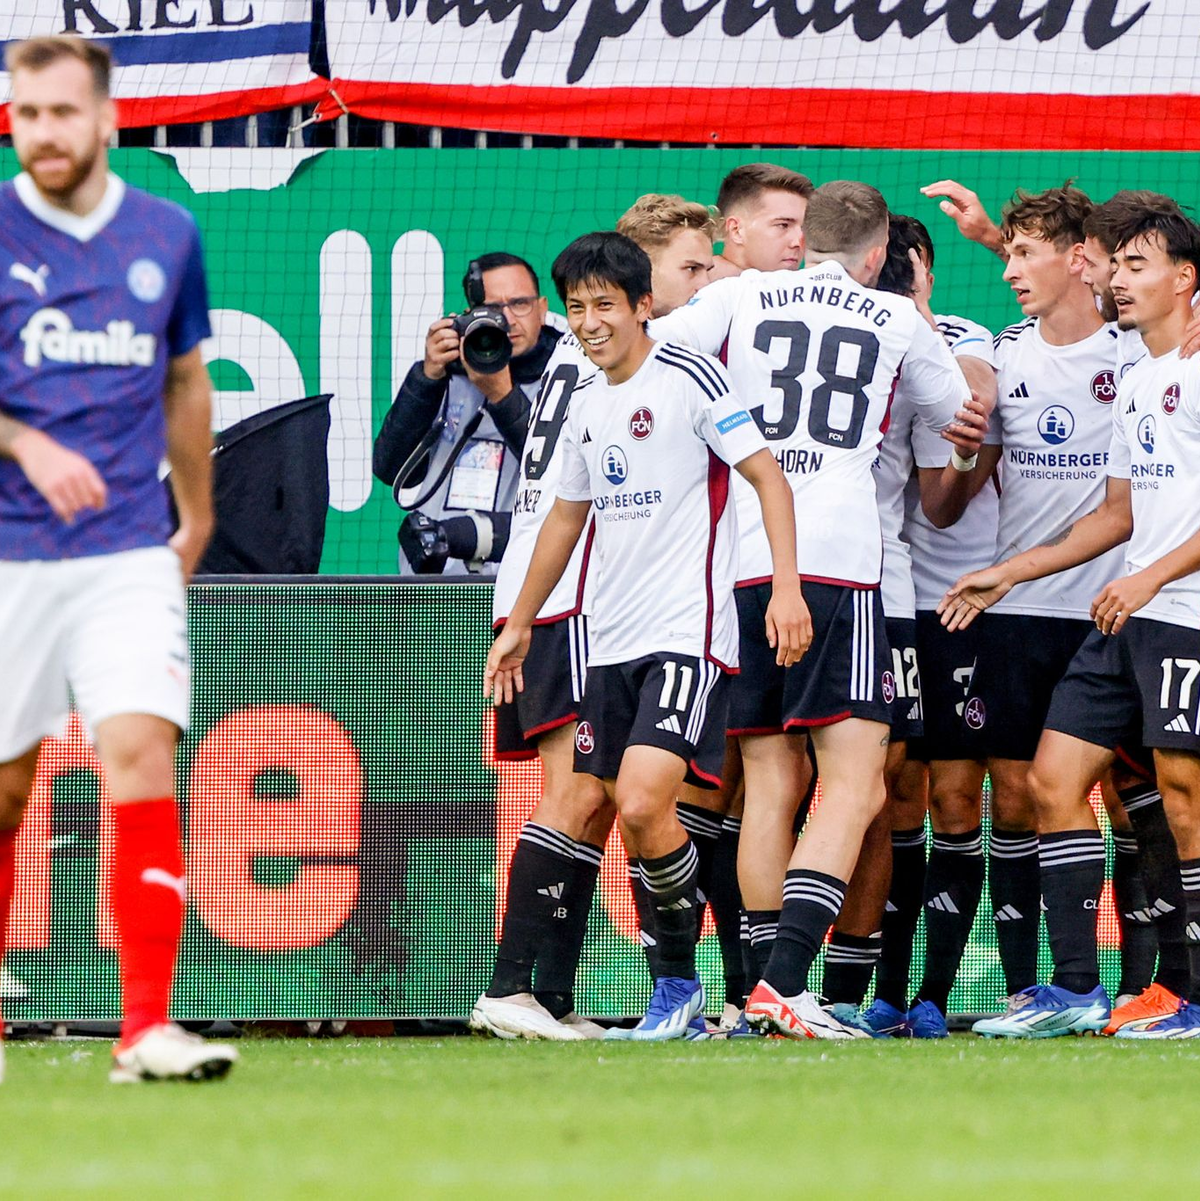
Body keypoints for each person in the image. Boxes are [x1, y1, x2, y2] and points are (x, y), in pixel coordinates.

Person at [653, 181, 974, 1038]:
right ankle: (786, 983)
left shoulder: (737, 294)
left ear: (811, 238)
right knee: (856, 780)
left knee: (769, 780)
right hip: (839, 562)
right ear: (876, 255)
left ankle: (760, 981)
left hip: (746, 561)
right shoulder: (894, 317)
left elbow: (654, 348)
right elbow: (958, 416)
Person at [485, 231, 808, 1041]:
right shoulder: (588, 404)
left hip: (687, 637)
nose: (590, 322)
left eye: (605, 306)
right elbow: (565, 517)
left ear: (641, 306)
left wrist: (787, 589)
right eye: (578, 308)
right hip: (608, 643)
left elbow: (767, 475)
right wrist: (520, 622)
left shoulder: (691, 376)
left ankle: (675, 981)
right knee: (627, 811)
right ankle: (683, 992)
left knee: (639, 799)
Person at [0, 35, 236, 1083]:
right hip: (10, 550)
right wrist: (22, 439)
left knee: (141, 756)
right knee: (6, 791)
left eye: (60, 111)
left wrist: (195, 514)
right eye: (25, 112)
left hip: (129, 548)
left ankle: (145, 1028)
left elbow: (187, 380)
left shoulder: (167, 232)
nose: (41, 131)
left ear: (107, 120)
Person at [939, 202, 1200, 1039]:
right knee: (1051, 782)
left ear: (1184, 278)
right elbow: (1118, 514)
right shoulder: (1139, 378)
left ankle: (1189, 995)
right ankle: (1077, 988)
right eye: (1113, 264)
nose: (1117, 279)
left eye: (1136, 265)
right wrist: (1006, 572)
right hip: (1126, 612)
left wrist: (1151, 579)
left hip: (1180, 611)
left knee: (1186, 802)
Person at [470, 196, 719, 1041]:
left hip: (551, 592)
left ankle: (549, 994)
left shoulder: (592, 363)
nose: (703, 282)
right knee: (580, 797)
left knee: (599, 800)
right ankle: (517, 986)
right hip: (583, 597)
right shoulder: (637, 361)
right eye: (691, 266)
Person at [822, 214, 996, 1038]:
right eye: (882, 260)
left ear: (927, 267)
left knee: (952, 794)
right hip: (877, 598)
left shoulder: (960, 334)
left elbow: (968, 406)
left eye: (906, 260)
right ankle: (872, 989)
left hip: (954, 602)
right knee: (885, 789)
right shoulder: (846, 335)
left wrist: (964, 433)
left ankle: (931, 990)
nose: (894, 272)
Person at [373, 252, 559, 574]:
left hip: (518, 581)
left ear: (542, 309)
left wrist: (501, 394)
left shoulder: (564, 372)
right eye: (493, 309)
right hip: (433, 576)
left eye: (519, 304)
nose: (508, 320)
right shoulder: (449, 371)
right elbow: (391, 468)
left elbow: (553, 474)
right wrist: (427, 378)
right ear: (469, 315)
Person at [708, 163, 813, 281]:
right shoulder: (696, 291)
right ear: (736, 230)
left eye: (804, 228)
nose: (798, 242)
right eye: (783, 225)